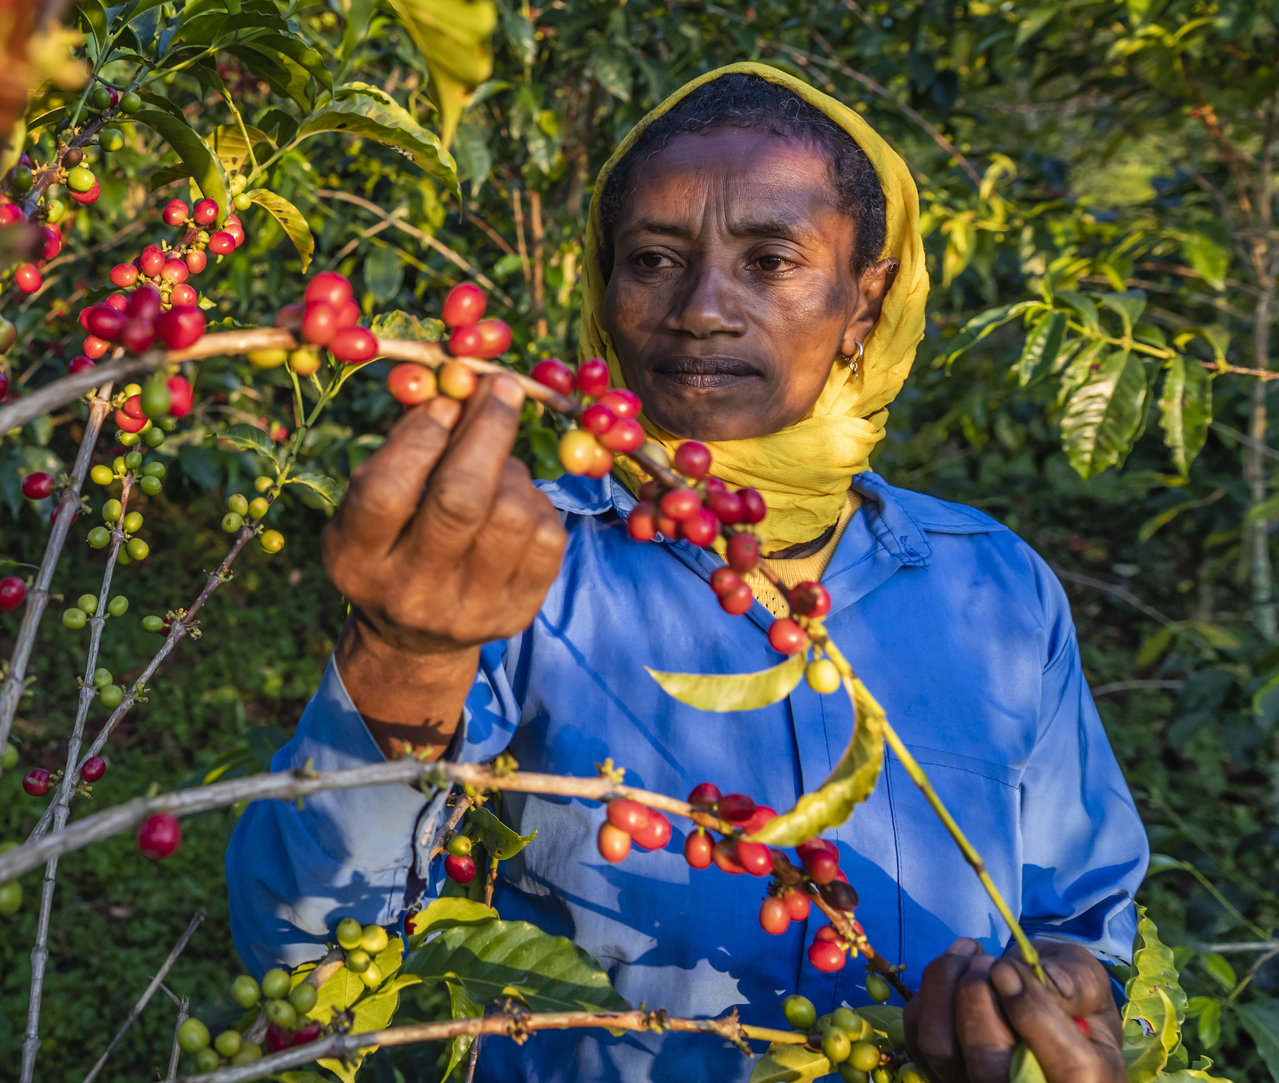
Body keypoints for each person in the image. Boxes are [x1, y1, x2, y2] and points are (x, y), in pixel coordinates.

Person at [225, 64, 1147, 1083]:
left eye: (771, 260)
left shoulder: (997, 590)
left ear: (864, 299)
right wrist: (404, 655)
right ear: (604, 289)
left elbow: (1080, 912)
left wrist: (1055, 990)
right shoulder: (510, 562)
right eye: (655, 258)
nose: (704, 309)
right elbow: (309, 958)